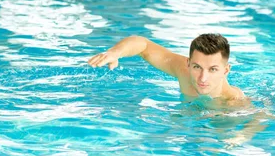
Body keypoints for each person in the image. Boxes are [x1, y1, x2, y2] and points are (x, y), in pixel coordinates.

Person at [87, 33, 246, 106]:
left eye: (212, 70)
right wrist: (115, 52)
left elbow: (256, 122)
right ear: (188, 63)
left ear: (225, 71)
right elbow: (143, 44)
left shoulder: (232, 102)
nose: (202, 78)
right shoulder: (183, 70)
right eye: (197, 67)